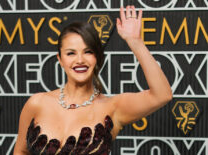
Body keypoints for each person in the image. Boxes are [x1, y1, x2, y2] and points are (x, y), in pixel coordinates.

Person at [13, 5, 172, 155]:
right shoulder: (37, 103)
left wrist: (135, 42)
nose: (80, 60)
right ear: (60, 59)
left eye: (88, 52)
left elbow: (162, 95)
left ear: (97, 57)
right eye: (71, 53)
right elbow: (20, 151)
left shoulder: (112, 107)